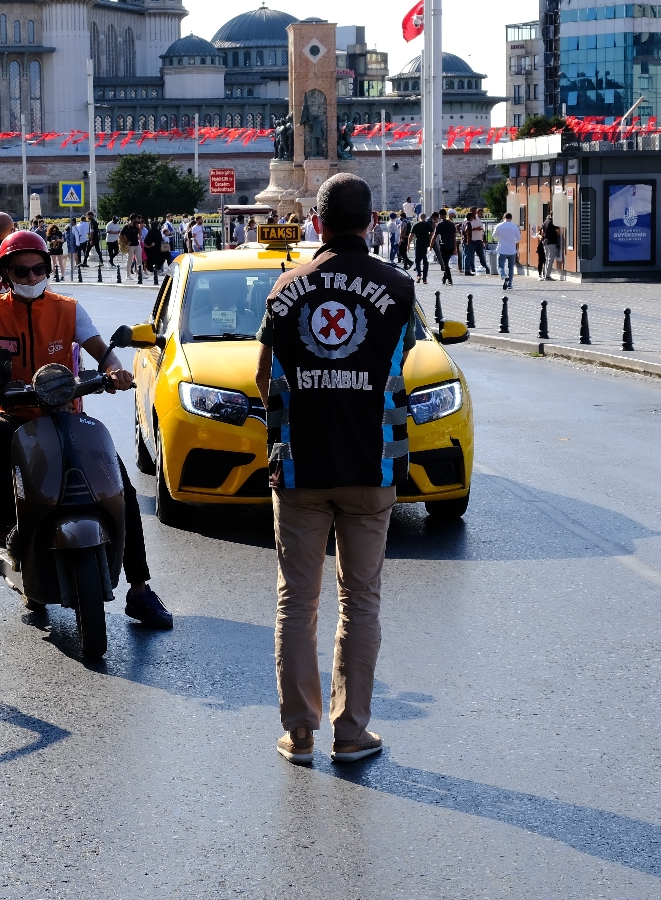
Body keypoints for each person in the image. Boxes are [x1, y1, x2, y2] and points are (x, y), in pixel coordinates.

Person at [252, 173, 413, 765]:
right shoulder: (398, 287)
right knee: (361, 600)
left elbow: (262, 376)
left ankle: (299, 734)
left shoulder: (284, 288)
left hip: (298, 469)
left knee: (297, 601)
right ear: (370, 221)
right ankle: (352, 733)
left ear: (316, 223)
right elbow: (405, 359)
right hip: (372, 466)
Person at [0, 229, 173, 628]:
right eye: (22, 272)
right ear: (5, 272)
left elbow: (100, 349)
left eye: (39, 269)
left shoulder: (69, 309)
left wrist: (113, 371)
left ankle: (139, 590)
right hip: (14, 414)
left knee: (118, 483)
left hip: (64, 415)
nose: (33, 278)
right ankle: (10, 530)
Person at [494, 213, 521, 290]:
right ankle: (510, 284)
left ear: (503, 218)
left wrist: (500, 236)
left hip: (502, 249)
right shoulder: (514, 226)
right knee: (511, 267)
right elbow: (519, 238)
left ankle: (503, 276)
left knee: (500, 266)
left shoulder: (499, 226)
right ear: (511, 218)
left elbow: (494, 235)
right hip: (512, 250)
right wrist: (514, 241)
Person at [409, 212, 435, 284]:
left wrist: (408, 245)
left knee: (417, 261)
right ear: (425, 217)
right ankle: (425, 278)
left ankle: (418, 275)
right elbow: (432, 233)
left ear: (419, 217)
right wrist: (430, 241)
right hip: (426, 245)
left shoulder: (416, 224)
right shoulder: (428, 224)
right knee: (425, 262)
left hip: (418, 244)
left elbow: (411, 235)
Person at [540, 213, 563, 281]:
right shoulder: (554, 222)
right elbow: (559, 231)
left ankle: (545, 274)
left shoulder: (546, 221)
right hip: (551, 242)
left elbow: (542, 232)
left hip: (545, 242)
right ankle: (547, 276)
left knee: (547, 258)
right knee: (550, 258)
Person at [436, 211, 456, 285]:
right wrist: (455, 247)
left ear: (440, 215)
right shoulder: (451, 224)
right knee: (446, 263)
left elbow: (434, 236)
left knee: (445, 264)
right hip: (451, 245)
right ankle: (444, 278)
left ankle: (450, 279)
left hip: (443, 245)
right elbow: (454, 237)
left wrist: (430, 246)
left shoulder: (439, 225)